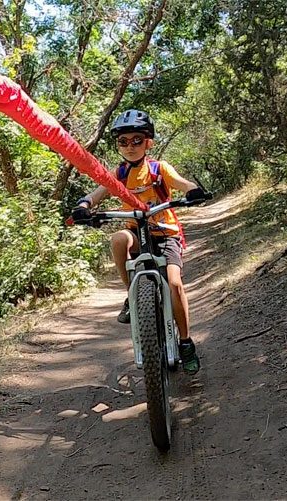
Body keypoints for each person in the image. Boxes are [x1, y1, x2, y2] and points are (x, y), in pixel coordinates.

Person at [71, 109, 208, 375]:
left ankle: (185, 341)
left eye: (137, 140)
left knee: (174, 284)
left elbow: (181, 183)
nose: (130, 146)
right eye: (123, 141)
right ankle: (131, 295)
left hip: (165, 233)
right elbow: (98, 193)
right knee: (118, 239)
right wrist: (84, 205)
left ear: (148, 143)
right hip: (136, 232)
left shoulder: (158, 169)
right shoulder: (119, 173)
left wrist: (193, 191)